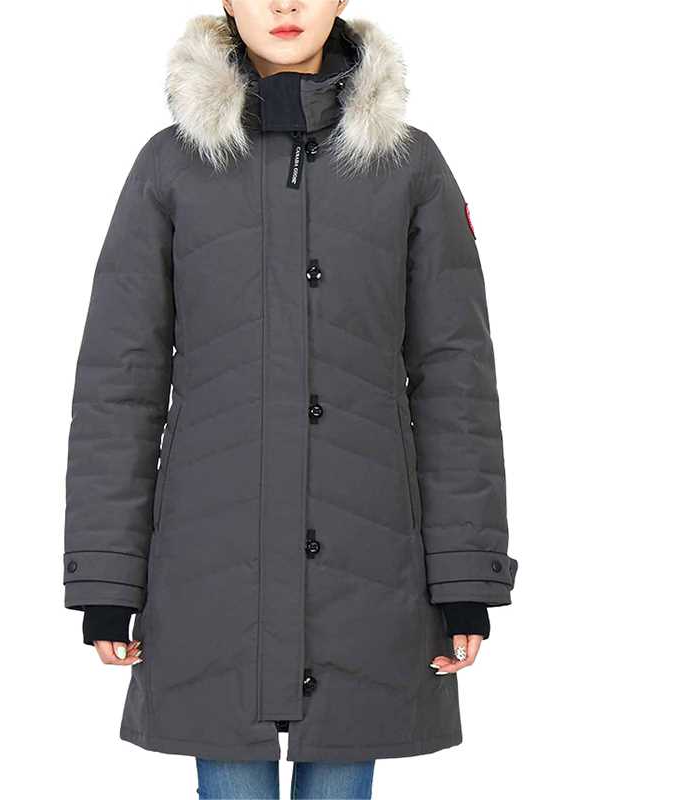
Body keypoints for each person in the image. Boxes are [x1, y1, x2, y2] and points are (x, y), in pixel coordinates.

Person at [62, 2, 518, 798]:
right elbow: (119, 382)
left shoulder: (409, 167)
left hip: (368, 564)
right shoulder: (171, 167)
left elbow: (455, 380)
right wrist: (107, 578)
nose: (283, 5)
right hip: (210, 565)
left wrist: (464, 577)